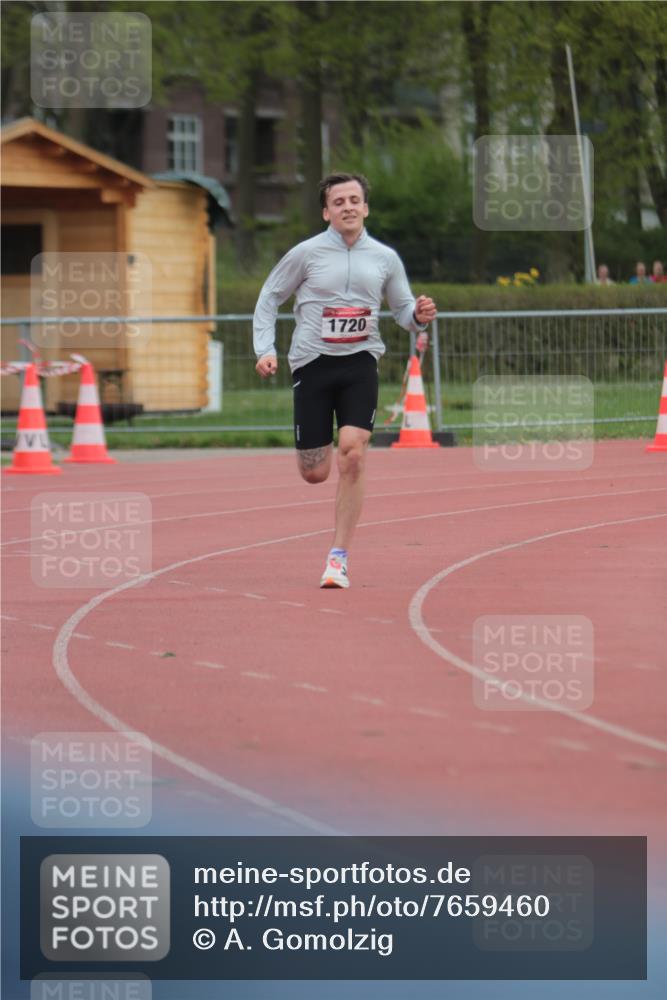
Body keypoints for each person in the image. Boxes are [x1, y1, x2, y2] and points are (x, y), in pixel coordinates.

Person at [253, 172, 436, 589]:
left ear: (366, 207)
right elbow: (269, 297)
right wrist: (265, 349)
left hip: (360, 363)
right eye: (339, 202)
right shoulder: (307, 253)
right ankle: (316, 449)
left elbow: (403, 309)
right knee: (314, 471)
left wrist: (418, 316)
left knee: (352, 454)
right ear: (326, 211)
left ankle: (338, 558)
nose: (348, 207)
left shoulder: (385, 258)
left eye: (355, 200)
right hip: (312, 365)